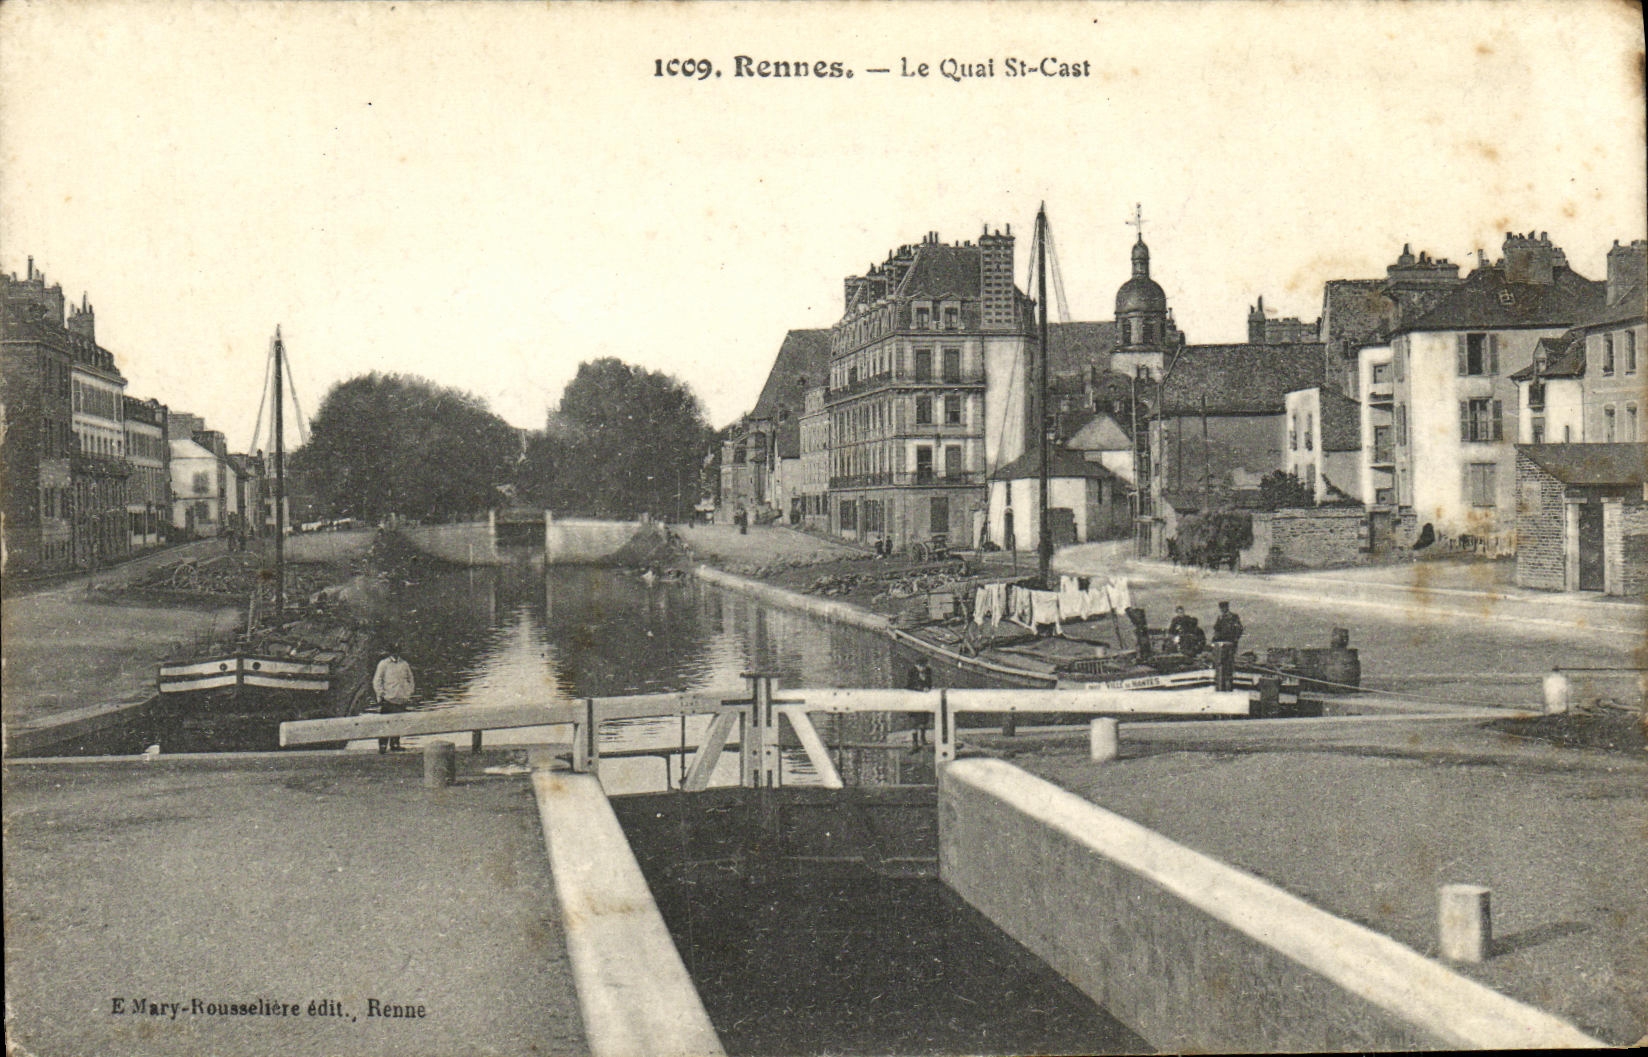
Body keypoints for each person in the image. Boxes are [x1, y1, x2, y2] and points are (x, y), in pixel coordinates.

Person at [372, 645, 415, 753]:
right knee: (385, 723)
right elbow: (377, 681)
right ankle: (382, 746)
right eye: (393, 652)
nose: (395, 654)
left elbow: (411, 679)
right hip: (388, 699)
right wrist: (381, 694)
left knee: (398, 723)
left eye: (397, 651)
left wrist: (408, 693)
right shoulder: (383, 664)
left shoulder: (404, 664)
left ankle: (395, 744)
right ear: (390, 652)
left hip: (401, 698)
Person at [905, 660, 934, 748]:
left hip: (924, 699)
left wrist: (927, 687)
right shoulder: (912, 672)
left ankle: (923, 738)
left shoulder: (928, 671)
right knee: (915, 721)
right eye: (922, 667)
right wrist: (920, 689)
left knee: (924, 720)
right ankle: (915, 741)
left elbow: (929, 683)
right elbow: (909, 686)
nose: (923, 669)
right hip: (914, 699)